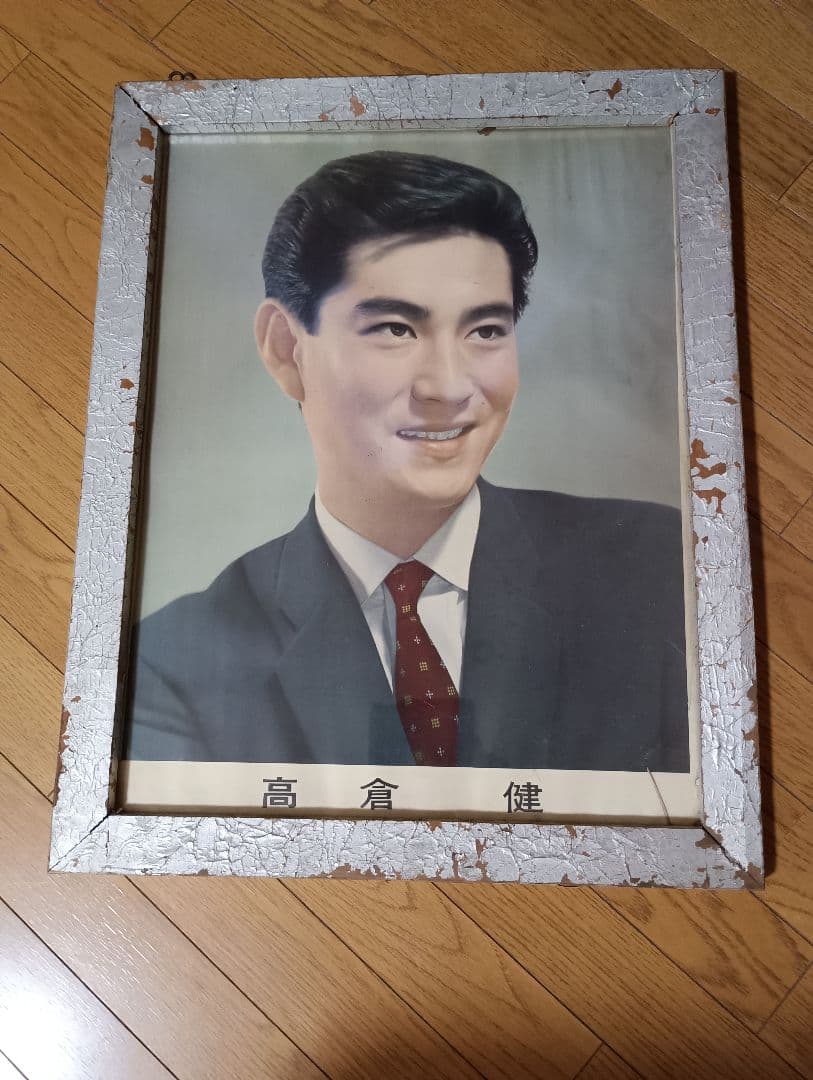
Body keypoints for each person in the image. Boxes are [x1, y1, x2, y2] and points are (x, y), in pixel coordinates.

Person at [125, 150, 689, 772]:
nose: (448, 387)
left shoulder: (657, 568)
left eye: (485, 331)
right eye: (395, 328)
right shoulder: (172, 666)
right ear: (287, 349)